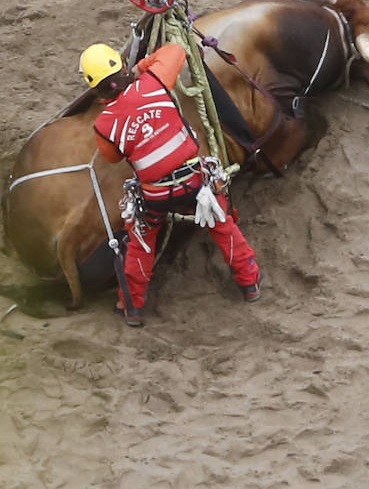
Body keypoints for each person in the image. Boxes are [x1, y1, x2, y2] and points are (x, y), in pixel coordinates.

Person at [80, 41, 262, 327]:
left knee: (140, 242)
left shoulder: (104, 126)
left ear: (95, 88)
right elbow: (176, 50)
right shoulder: (153, 82)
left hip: (154, 195)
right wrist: (141, 67)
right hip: (194, 183)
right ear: (122, 65)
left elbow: (113, 158)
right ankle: (249, 281)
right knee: (221, 222)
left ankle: (131, 307)